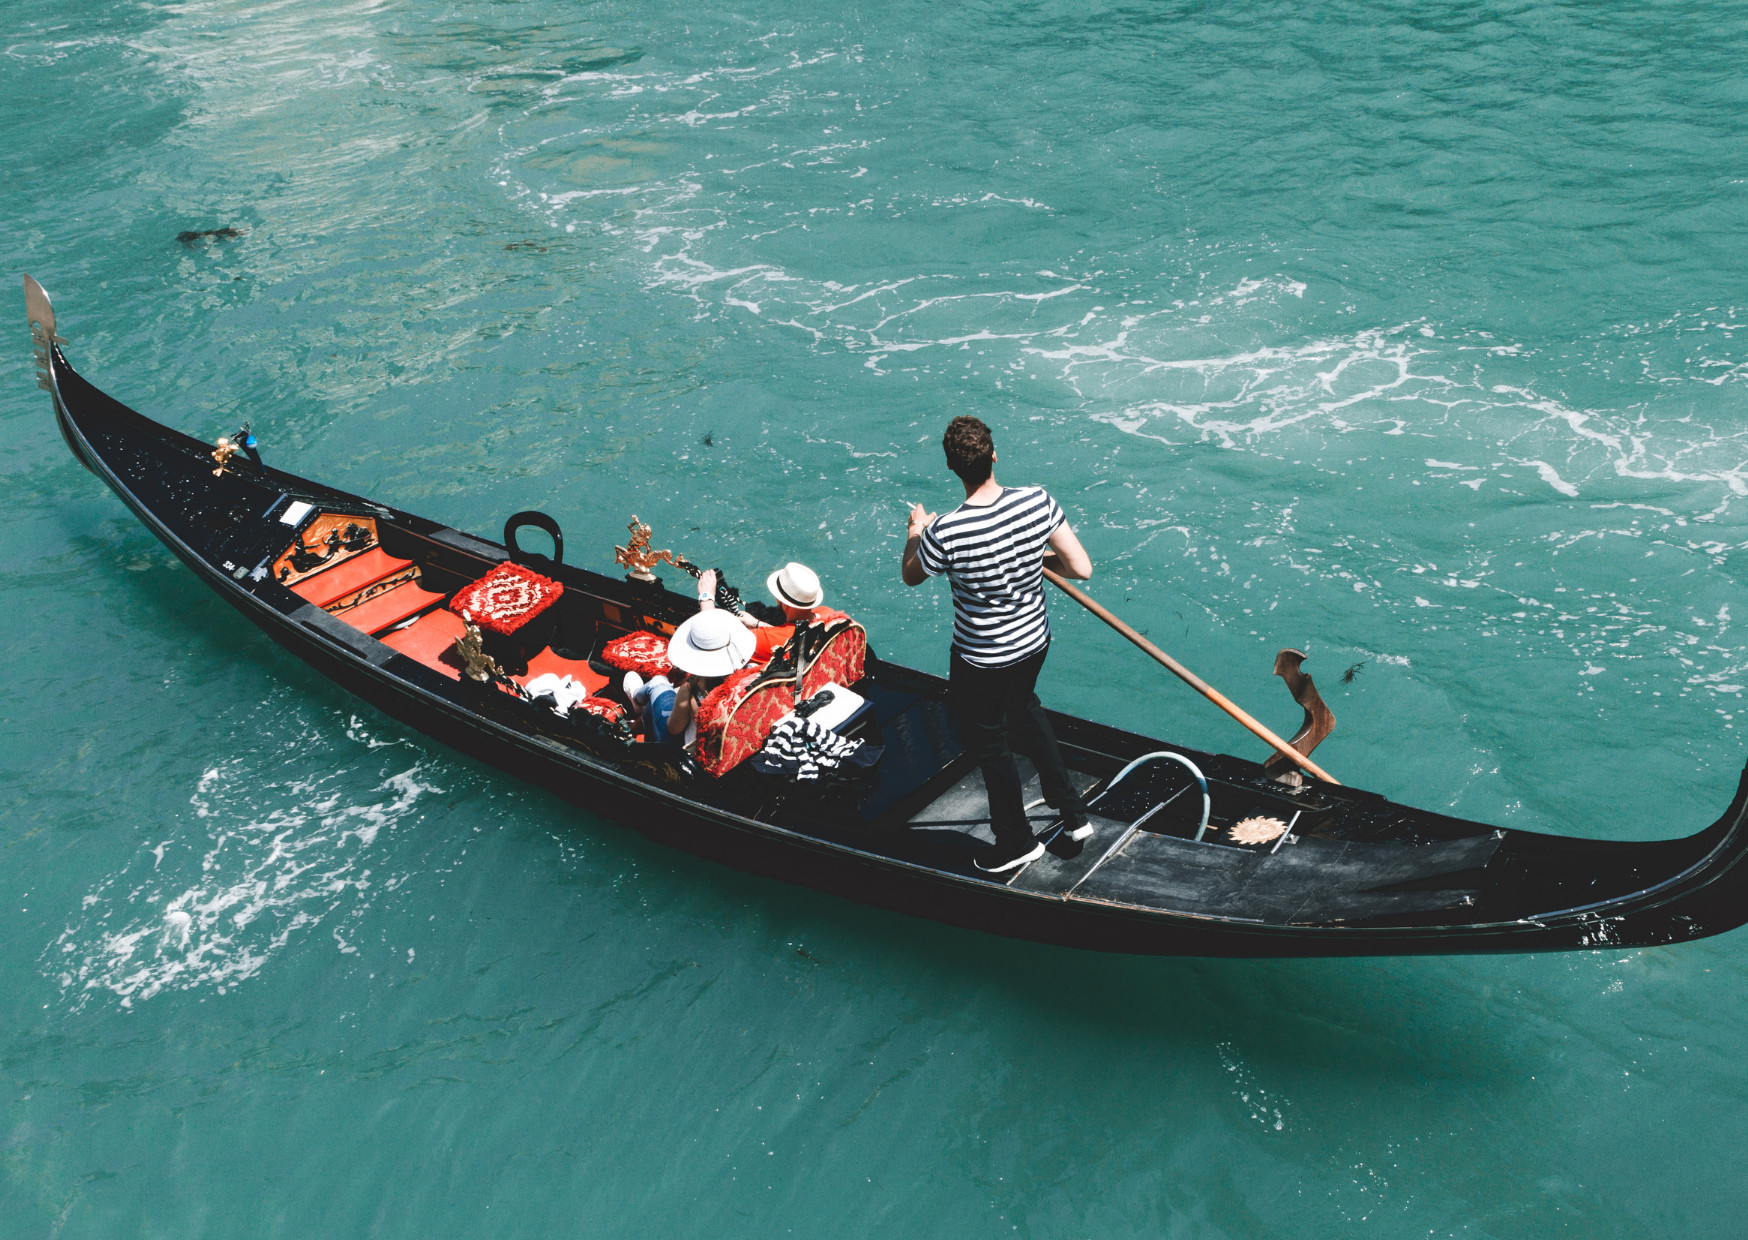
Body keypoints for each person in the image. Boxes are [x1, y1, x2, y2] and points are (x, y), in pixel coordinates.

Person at [901, 415, 1094, 873]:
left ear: (952, 468)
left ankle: (1015, 841)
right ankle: (1073, 814)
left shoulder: (945, 531)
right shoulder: (1037, 501)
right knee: (1026, 709)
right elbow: (1079, 567)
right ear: (994, 455)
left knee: (991, 747)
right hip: (1034, 642)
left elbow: (911, 575)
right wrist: (1029, 556)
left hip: (982, 660)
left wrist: (915, 531)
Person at [624, 608, 754, 747]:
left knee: (659, 683)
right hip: (730, 749)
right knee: (654, 704)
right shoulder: (751, 676)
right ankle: (642, 707)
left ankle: (637, 700)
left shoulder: (691, 689)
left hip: (689, 755)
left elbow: (674, 729)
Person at [695, 561, 839, 663]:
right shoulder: (828, 614)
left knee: (687, 687)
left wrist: (706, 597)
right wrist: (758, 623)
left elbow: (714, 643)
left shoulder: (767, 640)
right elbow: (793, 634)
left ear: (778, 599)